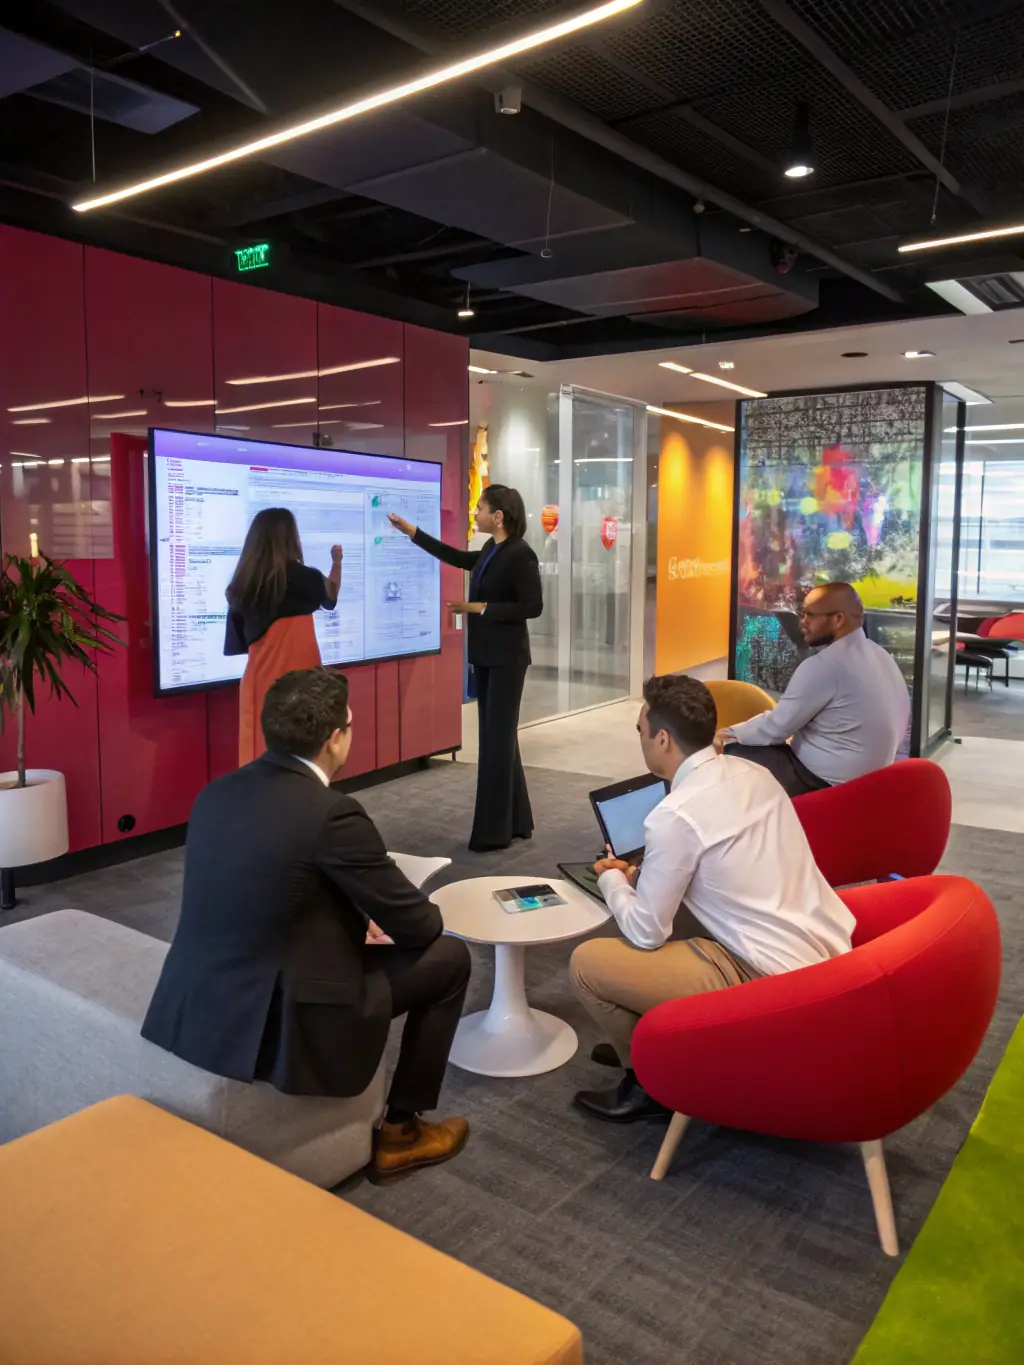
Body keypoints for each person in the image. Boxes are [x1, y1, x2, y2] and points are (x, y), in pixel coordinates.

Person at [142, 667, 472, 1184]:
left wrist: (350, 918)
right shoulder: (332, 813)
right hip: (284, 1015)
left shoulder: (217, 792)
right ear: (334, 739)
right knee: (450, 959)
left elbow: (265, 888)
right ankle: (401, 1132)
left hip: (199, 1001)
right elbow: (420, 926)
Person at [571, 673, 854, 1123]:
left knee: (588, 962)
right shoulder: (754, 773)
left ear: (662, 739)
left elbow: (646, 933)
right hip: (822, 952)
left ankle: (650, 1082)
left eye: (640, 732)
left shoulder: (674, 815)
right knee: (662, 904)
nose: (640, 739)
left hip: (771, 979)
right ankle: (656, 1037)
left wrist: (612, 882)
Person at [388, 485, 542, 852]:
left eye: (481, 507)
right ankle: (517, 821)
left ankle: (493, 833)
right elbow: (457, 557)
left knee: (495, 743)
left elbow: (532, 607)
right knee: (500, 739)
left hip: (507, 659)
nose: (475, 512)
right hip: (487, 656)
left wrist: (480, 607)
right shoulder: (491, 550)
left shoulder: (521, 555)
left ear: (499, 516)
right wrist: (413, 533)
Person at [718, 582, 911, 797]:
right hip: (872, 780)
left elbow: (775, 728)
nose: (803, 623)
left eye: (810, 615)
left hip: (821, 783)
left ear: (838, 619)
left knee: (728, 753)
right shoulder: (881, 655)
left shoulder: (825, 665)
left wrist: (727, 734)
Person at [225, 507, 343, 767]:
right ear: (292, 538)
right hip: (305, 686)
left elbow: (239, 642)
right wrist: (336, 564)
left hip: (261, 687)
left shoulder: (243, 584)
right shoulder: (308, 578)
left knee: (260, 765)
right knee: (306, 763)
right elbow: (331, 598)